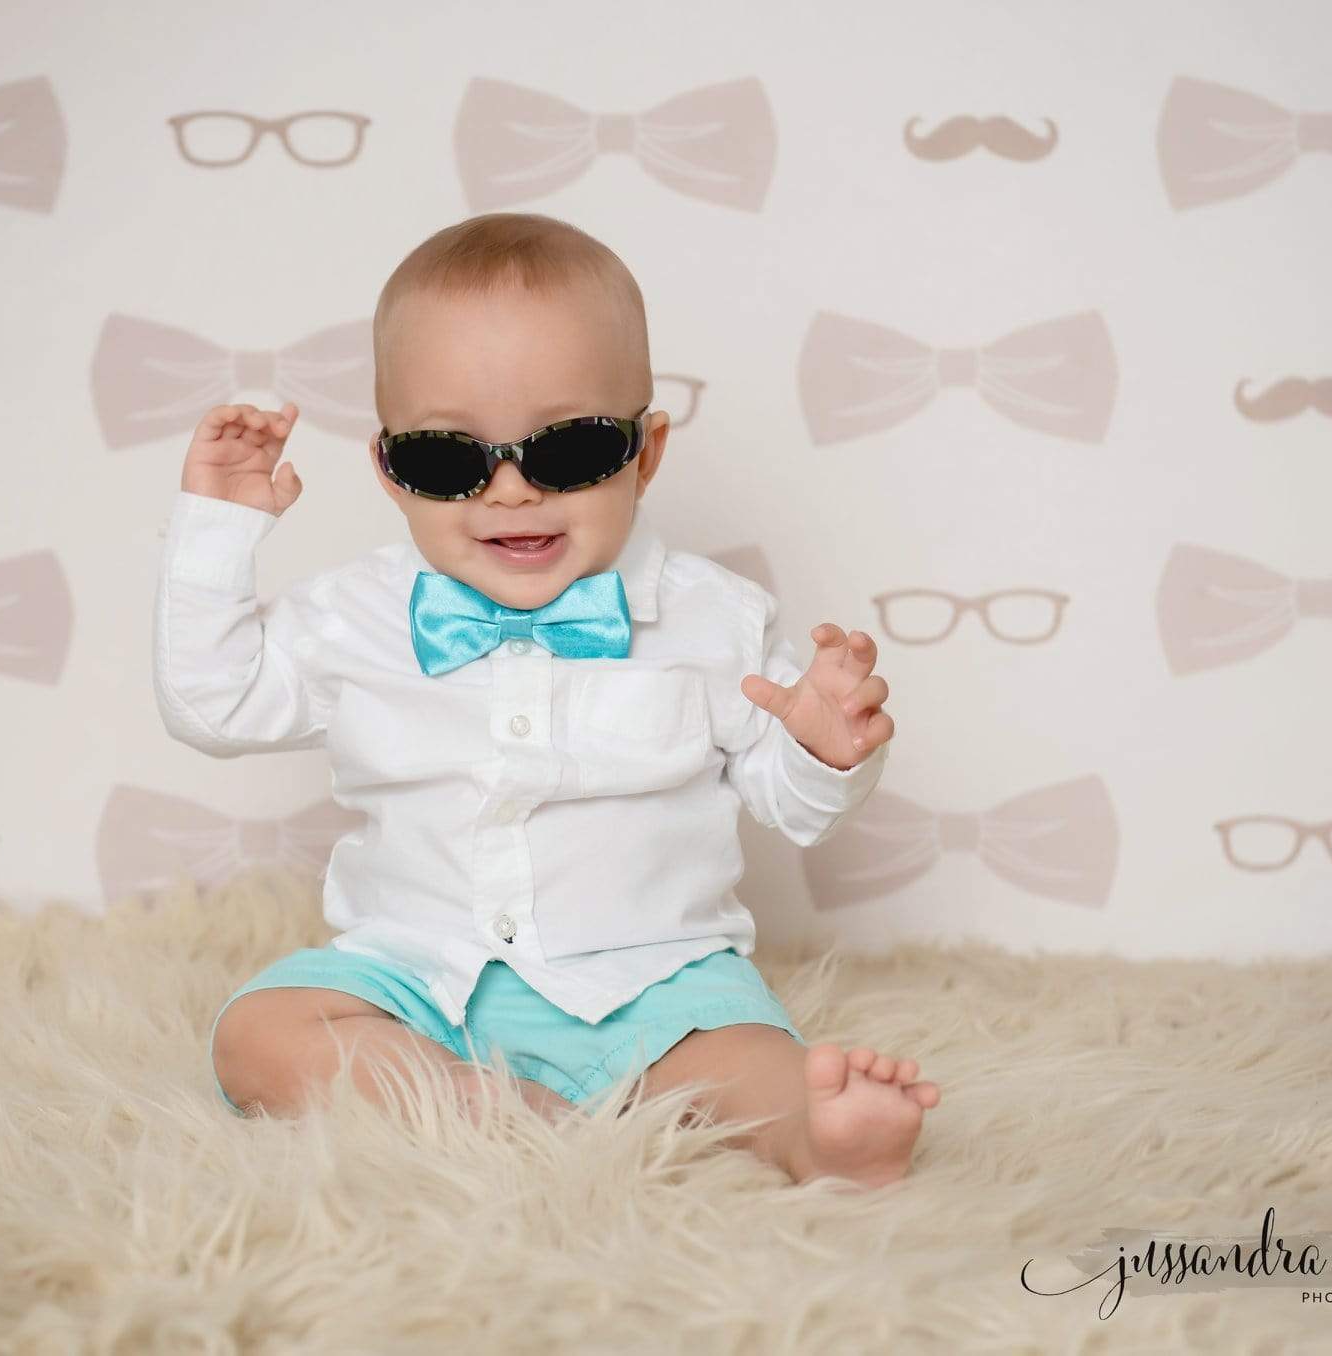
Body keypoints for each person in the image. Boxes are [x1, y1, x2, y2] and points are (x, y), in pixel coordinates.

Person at [154, 211, 939, 1187]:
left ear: (645, 454)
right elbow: (215, 706)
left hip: (653, 984)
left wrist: (821, 751)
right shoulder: (350, 617)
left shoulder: (716, 620)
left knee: (741, 1062)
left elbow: (793, 806)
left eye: (567, 450)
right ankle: (472, 1102)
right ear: (390, 472)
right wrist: (217, 533)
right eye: (449, 459)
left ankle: (818, 1134)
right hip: (415, 981)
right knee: (261, 1033)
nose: (512, 490)